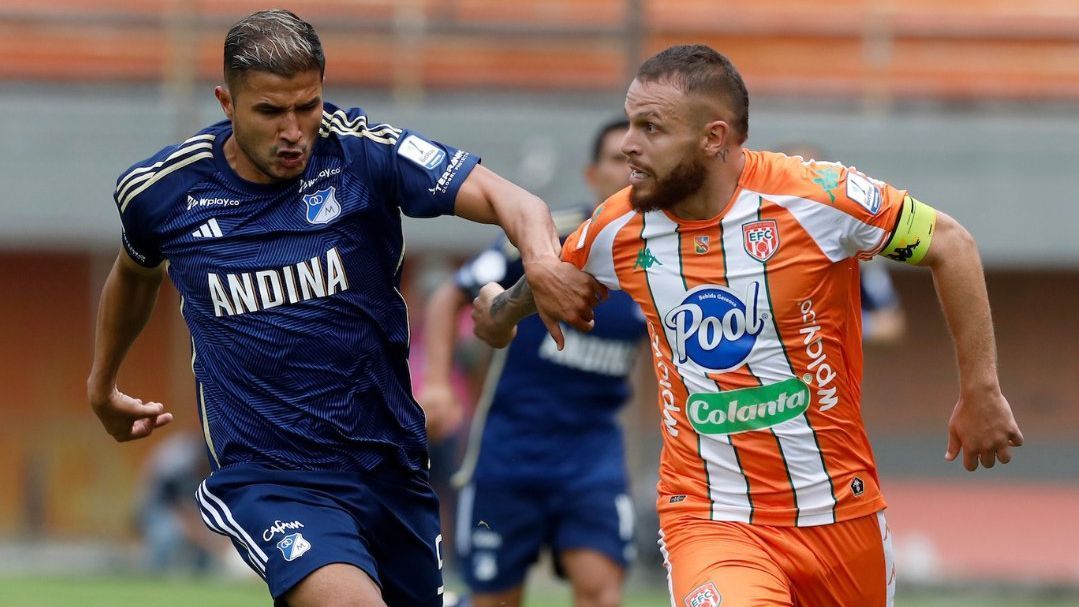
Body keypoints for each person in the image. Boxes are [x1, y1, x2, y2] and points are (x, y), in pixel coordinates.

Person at [470, 44, 1023, 606]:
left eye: (651, 128)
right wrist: (498, 313)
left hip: (840, 509)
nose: (629, 146)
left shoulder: (819, 197)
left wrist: (980, 389)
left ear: (713, 138)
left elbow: (950, 245)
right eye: (631, 122)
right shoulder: (616, 226)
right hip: (711, 516)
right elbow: (538, 284)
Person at [86, 10, 600, 607]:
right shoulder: (161, 192)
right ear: (227, 102)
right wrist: (103, 382)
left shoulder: (360, 153)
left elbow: (509, 198)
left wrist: (538, 260)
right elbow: (135, 273)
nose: (294, 130)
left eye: (308, 106)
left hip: (388, 462)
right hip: (270, 473)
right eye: (270, 111)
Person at [418, 119, 649, 607]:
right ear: (592, 175)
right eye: (617, 160)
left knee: (601, 591)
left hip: (592, 456)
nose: (630, 172)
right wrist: (437, 385)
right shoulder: (544, 241)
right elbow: (448, 297)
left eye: (640, 161)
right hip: (509, 453)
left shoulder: (666, 259)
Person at [777, 143, 907, 345]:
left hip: (829, 367)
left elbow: (891, 325)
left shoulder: (854, 251)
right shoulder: (755, 240)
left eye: (810, 176)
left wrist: (831, 325)